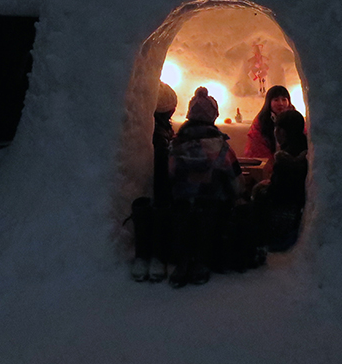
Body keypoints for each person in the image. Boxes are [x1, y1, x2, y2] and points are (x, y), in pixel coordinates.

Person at [167, 86, 242, 287]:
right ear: (213, 116)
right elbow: (234, 177)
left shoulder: (176, 144)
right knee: (207, 226)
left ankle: (182, 264)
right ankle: (201, 263)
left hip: (182, 202)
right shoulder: (220, 145)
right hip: (212, 202)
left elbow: (171, 173)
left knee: (183, 225)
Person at [130, 82, 177, 283]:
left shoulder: (159, 129)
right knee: (160, 205)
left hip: (153, 180)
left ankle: (147, 254)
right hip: (157, 181)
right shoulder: (159, 134)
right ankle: (155, 254)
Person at [253, 108, 308, 252]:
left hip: (283, 218)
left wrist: (261, 188)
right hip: (297, 210)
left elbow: (277, 193)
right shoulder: (307, 150)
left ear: (281, 132)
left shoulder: (285, 160)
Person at [243, 85, 296, 170]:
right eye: (276, 100)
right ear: (269, 102)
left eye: (284, 99)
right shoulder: (261, 121)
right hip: (270, 163)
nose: (281, 103)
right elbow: (256, 145)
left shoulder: (295, 118)